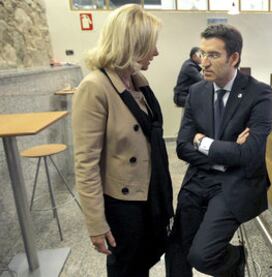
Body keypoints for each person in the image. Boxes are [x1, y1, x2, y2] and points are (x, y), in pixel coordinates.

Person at [72, 4, 173, 277]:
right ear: (133, 43)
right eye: (151, 44)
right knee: (127, 267)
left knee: (145, 258)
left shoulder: (138, 82)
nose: (156, 52)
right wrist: (96, 222)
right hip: (123, 203)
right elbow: (86, 163)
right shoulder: (95, 87)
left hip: (150, 193)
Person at [166, 24, 272, 277]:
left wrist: (203, 143)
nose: (204, 62)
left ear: (234, 58)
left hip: (235, 181)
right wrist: (228, 152)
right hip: (200, 178)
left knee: (202, 255)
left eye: (213, 55)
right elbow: (182, 146)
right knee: (176, 250)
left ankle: (237, 260)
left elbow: (251, 154)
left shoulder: (259, 93)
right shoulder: (197, 92)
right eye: (203, 54)